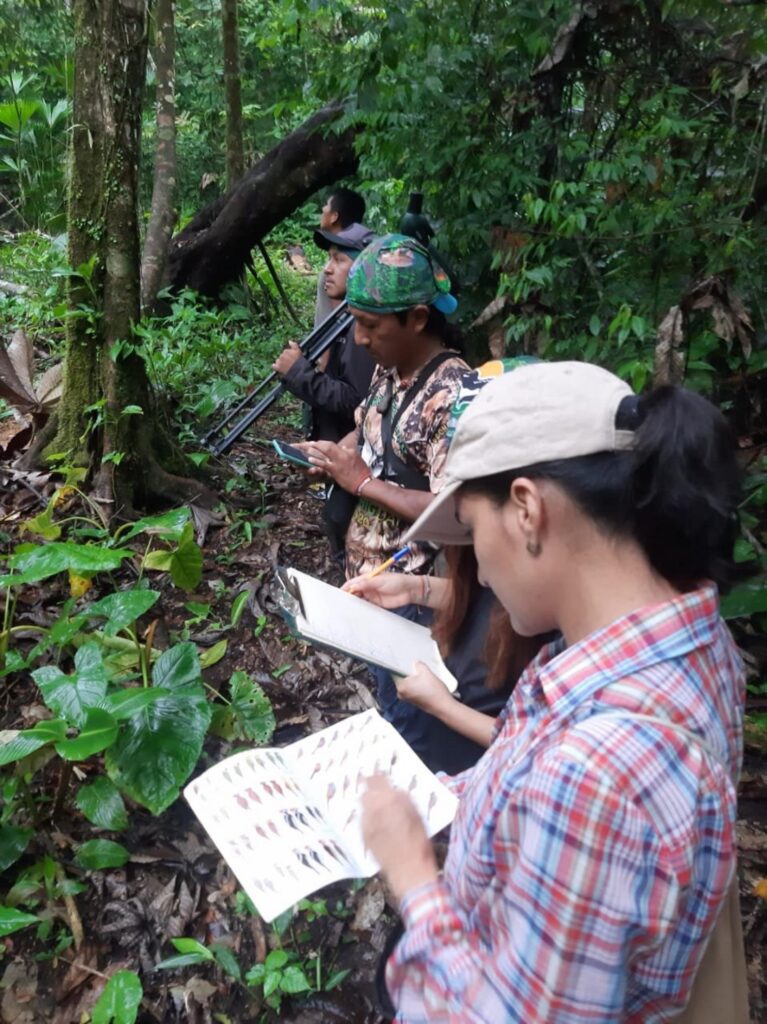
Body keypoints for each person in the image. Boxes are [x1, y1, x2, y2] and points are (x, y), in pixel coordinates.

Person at [360, 361, 749, 1023]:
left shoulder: (594, 774)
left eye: (472, 531)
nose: (476, 571)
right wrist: (438, 800)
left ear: (526, 509)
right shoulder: (687, 640)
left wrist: (411, 875)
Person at [301, 233, 469, 758]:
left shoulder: (453, 395)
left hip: (419, 599)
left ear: (417, 319)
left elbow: (457, 512)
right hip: (375, 586)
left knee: (416, 725)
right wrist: (338, 452)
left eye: (370, 326)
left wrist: (362, 483)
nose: (359, 338)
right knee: (392, 706)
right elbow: (367, 430)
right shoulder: (390, 372)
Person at [314, 187, 367, 326]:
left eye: (326, 205)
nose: (328, 269)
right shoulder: (364, 256)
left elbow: (336, 325)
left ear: (334, 216)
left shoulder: (345, 270)